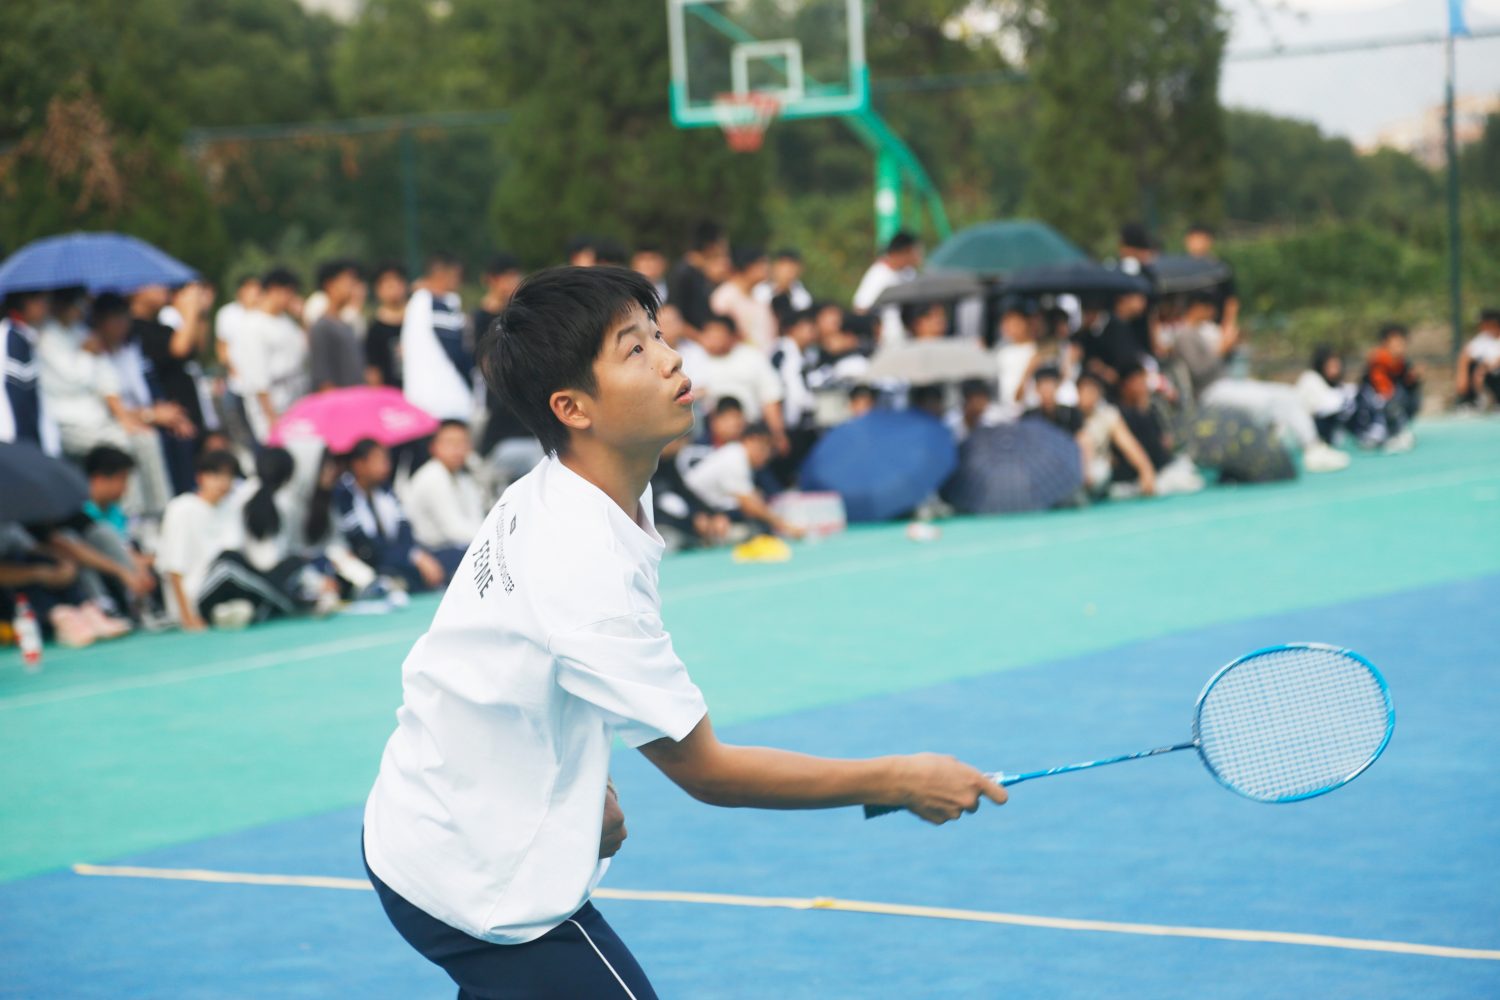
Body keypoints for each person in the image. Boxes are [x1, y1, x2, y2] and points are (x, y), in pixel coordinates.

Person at [362, 266, 1001, 999]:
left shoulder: (571, 491)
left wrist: (582, 781)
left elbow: (497, 659)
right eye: (634, 350)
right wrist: (898, 778)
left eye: (659, 336)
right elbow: (708, 771)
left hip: (421, 819)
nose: (671, 358)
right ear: (572, 408)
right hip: (474, 875)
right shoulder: (579, 557)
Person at [1176, 293, 1350, 472]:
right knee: (1269, 403)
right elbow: (1198, 370)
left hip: (1227, 384)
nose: (1211, 312)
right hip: (1211, 391)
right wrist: (1221, 349)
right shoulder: (1185, 335)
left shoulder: (1202, 331)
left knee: (1286, 394)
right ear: (1197, 307)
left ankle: (1312, 446)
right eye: (1208, 308)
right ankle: (1302, 448)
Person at [130, 281, 217, 487]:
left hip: (189, 418)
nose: (163, 287)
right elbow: (180, 349)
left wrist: (200, 313)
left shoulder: (161, 327)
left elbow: (197, 348)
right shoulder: (135, 331)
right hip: (170, 426)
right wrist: (189, 309)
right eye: (154, 282)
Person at [333, 438, 449, 592]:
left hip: (395, 557)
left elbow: (404, 530)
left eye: (386, 459)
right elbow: (365, 546)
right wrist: (411, 557)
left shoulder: (386, 490)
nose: (386, 466)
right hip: (365, 561)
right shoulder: (343, 495)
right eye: (378, 460)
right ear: (359, 465)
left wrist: (415, 555)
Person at [156, 449, 249, 631]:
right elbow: (173, 568)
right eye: (216, 474)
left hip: (226, 587)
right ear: (200, 477)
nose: (223, 482)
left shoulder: (231, 509)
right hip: (195, 595)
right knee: (229, 563)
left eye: (229, 476)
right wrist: (187, 616)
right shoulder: (181, 508)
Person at [691, 314, 790, 456]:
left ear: (732, 335)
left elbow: (770, 396)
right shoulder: (694, 358)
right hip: (708, 434)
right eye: (709, 333)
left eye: (718, 333)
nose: (714, 338)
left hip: (750, 433)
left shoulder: (751, 357)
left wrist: (778, 434)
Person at [232, 268, 309, 445]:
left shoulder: (286, 322)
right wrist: (273, 421)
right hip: (273, 407)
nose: (291, 298)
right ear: (274, 290)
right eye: (290, 293)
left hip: (296, 401)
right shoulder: (252, 325)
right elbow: (258, 379)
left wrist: (303, 318)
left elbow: (304, 351)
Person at [402, 420, 487, 575]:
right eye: (450, 443)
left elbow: (476, 518)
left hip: (456, 546)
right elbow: (453, 529)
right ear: (433, 447)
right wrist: (490, 541)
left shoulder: (463, 478)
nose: (457, 449)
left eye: (462, 443)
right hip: (431, 552)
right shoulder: (432, 475)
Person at [402, 251, 473, 422]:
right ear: (441, 273)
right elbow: (455, 349)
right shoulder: (430, 303)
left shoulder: (423, 302)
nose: (458, 281)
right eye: (456, 275)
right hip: (443, 400)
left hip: (429, 400)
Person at [1111, 366, 1203, 497]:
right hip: (1131, 477)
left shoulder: (1151, 409)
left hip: (1160, 468)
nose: (1142, 386)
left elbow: (1163, 442)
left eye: (1143, 381)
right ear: (1126, 384)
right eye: (1137, 382)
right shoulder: (1118, 413)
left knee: (1187, 470)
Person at [1, 289, 60, 454]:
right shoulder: (12, 340)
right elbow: (17, 398)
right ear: (25, 302)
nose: (46, 305)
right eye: (41, 299)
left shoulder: (23, 336)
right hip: (17, 445)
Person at [649, 434, 731, 551]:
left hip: (679, 524)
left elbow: (685, 492)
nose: (681, 448)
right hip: (656, 526)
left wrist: (711, 514)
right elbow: (658, 505)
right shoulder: (645, 465)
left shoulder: (668, 462)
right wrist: (693, 520)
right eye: (679, 443)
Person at [852, 231, 922, 344]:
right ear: (903, 252)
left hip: (906, 340)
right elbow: (860, 309)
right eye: (915, 252)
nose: (918, 257)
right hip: (884, 343)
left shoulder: (909, 273)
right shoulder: (878, 274)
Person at [1361, 323, 1421, 452]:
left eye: (1402, 342)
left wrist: (1413, 380)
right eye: (1396, 342)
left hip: (1389, 404)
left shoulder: (1402, 363)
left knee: (1408, 397)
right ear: (1385, 343)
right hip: (1373, 406)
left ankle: (1396, 431)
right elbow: (1383, 391)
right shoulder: (1378, 361)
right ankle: (1382, 432)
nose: (1400, 346)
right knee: (1391, 401)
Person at [309, 260, 367, 391]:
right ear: (330, 285)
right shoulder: (321, 327)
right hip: (339, 405)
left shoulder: (347, 325)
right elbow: (323, 380)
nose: (352, 288)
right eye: (347, 282)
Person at [709, 246, 777, 353]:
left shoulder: (760, 296)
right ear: (747, 266)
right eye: (761, 264)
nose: (766, 268)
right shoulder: (725, 296)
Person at [667, 221, 729, 331]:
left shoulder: (703, 273)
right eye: (721, 242)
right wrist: (701, 339)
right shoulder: (683, 273)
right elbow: (675, 314)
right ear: (711, 246)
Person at [1295, 346, 1359, 446]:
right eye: (1331, 365)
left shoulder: (1339, 386)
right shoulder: (1310, 379)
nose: (1336, 369)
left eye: (1337, 365)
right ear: (1322, 365)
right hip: (1309, 436)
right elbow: (1322, 407)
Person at [1184, 223, 1239, 334]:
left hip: (1215, 326)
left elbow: (1231, 300)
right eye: (1193, 239)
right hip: (1186, 325)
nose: (1196, 244)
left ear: (1209, 241)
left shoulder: (1220, 268)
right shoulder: (1180, 270)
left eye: (1200, 239)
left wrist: (1228, 326)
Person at [365, 262, 408, 389]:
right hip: (392, 395)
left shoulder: (417, 321)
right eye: (388, 285)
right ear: (378, 290)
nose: (394, 289)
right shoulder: (374, 330)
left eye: (397, 283)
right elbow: (373, 371)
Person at [752, 248, 813, 328]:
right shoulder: (758, 289)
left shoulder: (803, 299)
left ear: (799, 270)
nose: (787, 273)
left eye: (791, 269)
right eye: (784, 267)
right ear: (775, 266)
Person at [1456, 308, 1500, 409]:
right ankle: (1471, 401)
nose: (1480, 326)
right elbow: (1465, 355)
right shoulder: (1483, 338)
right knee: (1472, 366)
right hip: (1486, 375)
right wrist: (1462, 377)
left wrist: (1484, 368)